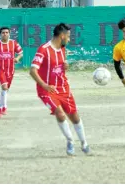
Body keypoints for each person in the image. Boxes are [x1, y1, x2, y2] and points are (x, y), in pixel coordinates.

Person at [29, 23, 90, 156]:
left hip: (63, 88)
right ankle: (70, 141)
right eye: (68, 36)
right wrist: (44, 85)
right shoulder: (43, 50)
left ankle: (84, 143)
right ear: (62, 36)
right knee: (60, 114)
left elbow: (58, 67)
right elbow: (33, 71)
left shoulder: (62, 48)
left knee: (75, 117)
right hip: (47, 90)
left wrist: (64, 66)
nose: (69, 38)